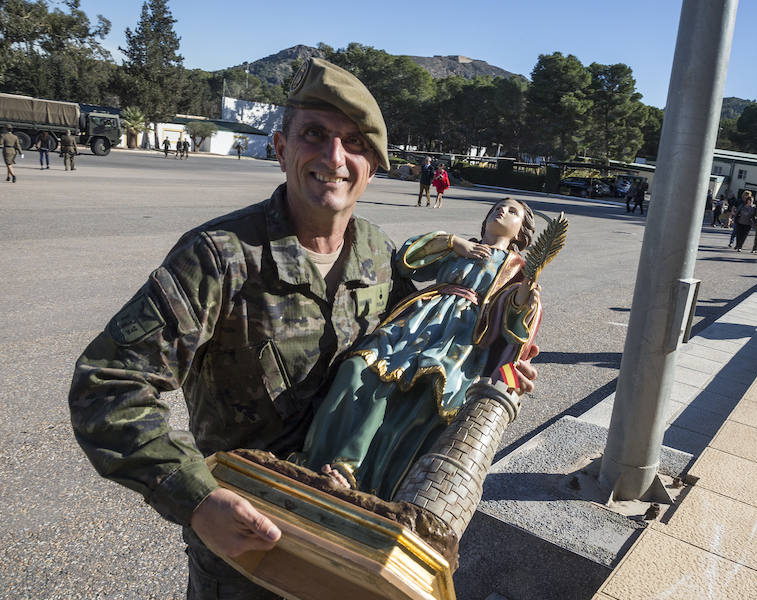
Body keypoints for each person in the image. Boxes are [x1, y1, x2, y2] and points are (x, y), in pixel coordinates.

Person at [68, 57, 538, 599]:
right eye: (314, 134)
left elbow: (430, 345)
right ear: (281, 147)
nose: (334, 157)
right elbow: (107, 383)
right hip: (247, 549)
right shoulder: (221, 258)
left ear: (374, 164)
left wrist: (496, 359)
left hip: (355, 543)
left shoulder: (380, 256)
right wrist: (194, 497)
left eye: (355, 142)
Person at [300, 197, 540, 498]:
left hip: (460, 341)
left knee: (414, 395)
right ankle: (315, 456)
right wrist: (453, 243)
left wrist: (521, 300)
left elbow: (512, 325)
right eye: (496, 208)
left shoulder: (517, 270)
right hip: (417, 322)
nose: (501, 211)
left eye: (512, 211)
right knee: (356, 368)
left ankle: (359, 472)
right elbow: (407, 260)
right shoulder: (460, 248)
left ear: (521, 233)